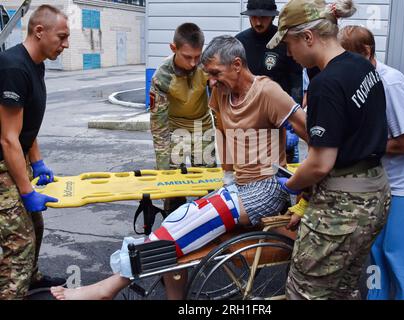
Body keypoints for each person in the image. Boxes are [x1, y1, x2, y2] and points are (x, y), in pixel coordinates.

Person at [50, 35, 308, 300]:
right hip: (239, 189)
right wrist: (229, 176)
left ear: (238, 65)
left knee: (186, 224)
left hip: (268, 189)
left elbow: (317, 139)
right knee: (178, 220)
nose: (211, 81)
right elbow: (221, 130)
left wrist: (303, 197)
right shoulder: (221, 92)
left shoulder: (268, 92)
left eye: (216, 73)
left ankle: (109, 287)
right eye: (208, 75)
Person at [267, 0, 391, 300]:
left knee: (304, 291)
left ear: (308, 37)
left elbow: (321, 163)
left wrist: (291, 185)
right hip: (376, 194)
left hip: (342, 205)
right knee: (343, 288)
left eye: (289, 43)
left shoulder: (326, 83)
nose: (288, 53)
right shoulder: (362, 65)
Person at [339, 25, 404, 300]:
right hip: (387, 180)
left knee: (398, 254)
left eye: (346, 57)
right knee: (375, 249)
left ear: (366, 52)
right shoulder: (359, 79)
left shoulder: (390, 83)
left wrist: (362, 147)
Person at [0, 5, 70, 299]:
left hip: (16, 158)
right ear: (39, 31)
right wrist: (27, 191)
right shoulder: (14, 67)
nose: (66, 44)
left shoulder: (35, 63)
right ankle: (13, 289)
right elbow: (8, 139)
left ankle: (31, 277)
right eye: (62, 37)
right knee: (20, 242)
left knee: (35, 225)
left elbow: (26, 125)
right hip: (3, 164)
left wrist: (38, 163)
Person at [149, 23, 216, 214]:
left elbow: (220, 106)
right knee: (173, 189)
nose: (194, 63)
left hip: (202, 127)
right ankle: (173, 226)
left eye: (197, 56)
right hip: (174, 130)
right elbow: (158, 125)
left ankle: (209, 228)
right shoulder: (161, 76)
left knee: (208, 185)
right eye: (188, 57)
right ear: (173, 48)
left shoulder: (207, 65)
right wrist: (164, 170)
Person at [236, 0, 304, 163]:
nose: (258, 22)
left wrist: (293, 119)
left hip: (280, 118)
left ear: (273, 17)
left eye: (264, 17)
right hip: (249, 119)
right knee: (251, 170)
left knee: (284, 171)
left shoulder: (284, 41)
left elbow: (296, 81)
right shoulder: (239, 43)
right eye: (254, 17)